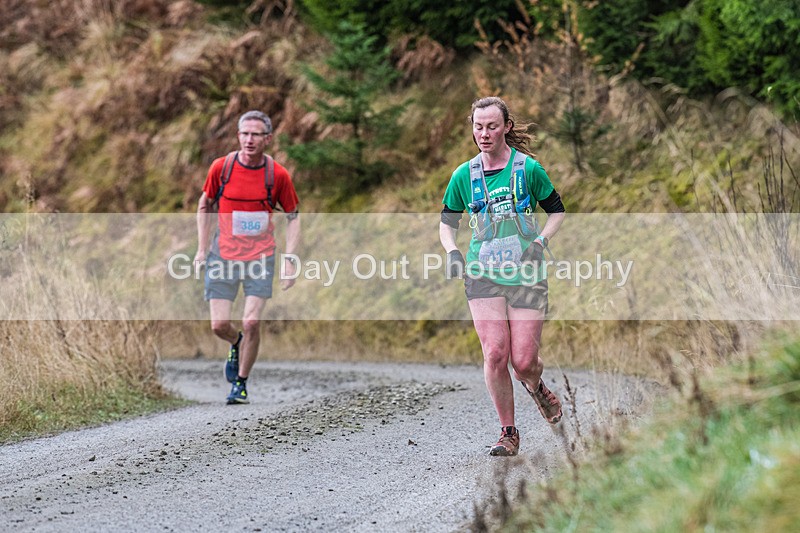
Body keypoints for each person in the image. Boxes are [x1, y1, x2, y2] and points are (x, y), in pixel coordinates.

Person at [439, 96, 566, 456]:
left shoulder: (529, 169)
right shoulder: (463, 175)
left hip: (527, 274)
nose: (484, 133)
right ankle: (508, 432)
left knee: (523, 362)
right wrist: (452, 251)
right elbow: (447, 223)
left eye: (492, 126)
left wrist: (540, 242)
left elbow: (557, 212)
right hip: (482, 274)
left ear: (506, 127)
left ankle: (536, 387)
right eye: (478, 127)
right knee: (495, 353)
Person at [194, 110, 300, 405]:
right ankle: (236, 342)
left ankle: (240, 383)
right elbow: (205, 204)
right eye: (244, 134)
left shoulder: (276, 175)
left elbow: (293, 216)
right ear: (238, 136)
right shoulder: (222, 168)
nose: (249, 140)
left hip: (260, 257)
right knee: (219, 326)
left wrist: (290, 259)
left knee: (252, 321)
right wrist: (202, 249)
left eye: (256, 135)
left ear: (267, 139)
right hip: (222, 255)